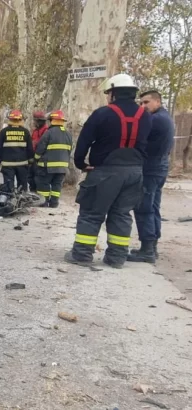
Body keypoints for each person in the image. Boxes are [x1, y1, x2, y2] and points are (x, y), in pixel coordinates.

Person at [65, 73, 151, 269]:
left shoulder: (102, 113)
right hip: (134, 172)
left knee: (92, 213)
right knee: (121, 214)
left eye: (108, 93)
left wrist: (80, 163)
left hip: (105, 172)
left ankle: (82, 254)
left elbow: (84, 141)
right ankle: (117, 257)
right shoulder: (145, 115)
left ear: (113, 93)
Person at [127, 90, 175, 264]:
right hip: (158, 168)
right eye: (140, 103)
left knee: (144, 207)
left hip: (151, 168)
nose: (142, 106)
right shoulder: (165, 117)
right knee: (153, 207)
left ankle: (147, 249)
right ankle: (152, 248)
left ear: (157, 101)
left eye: (146, 102)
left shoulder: (156, 120)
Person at [33, 110, 72, 207]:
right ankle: (54, 203)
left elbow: (40, 148)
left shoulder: (48, 133)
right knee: (57, 185)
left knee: (44, 183)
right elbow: (69, 150)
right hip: (62, 167)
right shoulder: (68, 134)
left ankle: (44, 202)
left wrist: (36, 159)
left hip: (48, 166)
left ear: (51, 120)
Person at [0, 110, 33, 192]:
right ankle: (22, 201)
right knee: (22, 185)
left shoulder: (4, 132)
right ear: (20, 120)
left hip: (8, 164)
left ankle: (9, 200)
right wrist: (30, 160)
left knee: (8, 185)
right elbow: (30, 148)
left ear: (10, 119)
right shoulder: (25, 132)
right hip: (22, 164)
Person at [29, 111, 49, 192]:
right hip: (34, 156)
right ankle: (32, 191)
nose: (34, 122)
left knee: (38, 177)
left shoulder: (46, 131)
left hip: (40, 158)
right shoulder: (35, 131)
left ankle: (37, 193)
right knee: (30, 176)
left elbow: (42, 145)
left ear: (40, 121)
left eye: (35, 121)